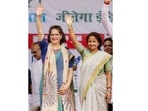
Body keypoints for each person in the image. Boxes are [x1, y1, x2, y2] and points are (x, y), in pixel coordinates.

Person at [65, 15, 112, 111]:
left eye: (94, 41)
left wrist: (109, 89)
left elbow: (108, 73)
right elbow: (74, 41)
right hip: (85, 88)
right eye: (90, 41)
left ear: (99, 43)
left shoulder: (104, 56)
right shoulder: (84, 52)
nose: (92, 43)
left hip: (100, 88)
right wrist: (70, 26)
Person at [36, 3, 76, 111]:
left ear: (61, 36)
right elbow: (40, 32)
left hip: (63, 88)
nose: (54, 37)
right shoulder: (45, 48)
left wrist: (67, 85)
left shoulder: (67, 52)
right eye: (52, 34)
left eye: (56, 34)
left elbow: (70, 69)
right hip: (48, 88)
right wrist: (38, 17)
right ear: (49, 36)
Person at [30, 42, 42, 111]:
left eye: (35, 52)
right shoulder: (33, 64)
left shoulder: (48, 62)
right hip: (34, 101)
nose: (33, 54)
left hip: (46, 101)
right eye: (32, 53)